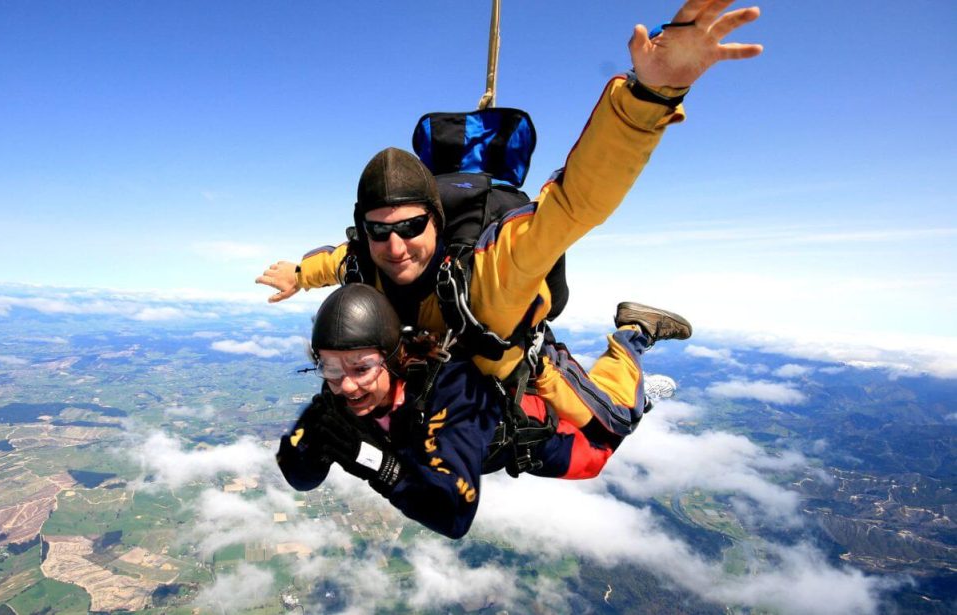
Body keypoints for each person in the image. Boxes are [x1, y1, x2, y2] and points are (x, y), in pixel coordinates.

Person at [259, 1, 761, 449]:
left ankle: (635, 335)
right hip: (443, 381)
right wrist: (296, 276)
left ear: (435, 219)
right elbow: (333, 261)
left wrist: (649, 95)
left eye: (411, 226)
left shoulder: (492, 269)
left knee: (610, 425)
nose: (394, 246)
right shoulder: (363, 261)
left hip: (511, 368)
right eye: (377, 230)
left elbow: (574, 202)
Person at [277, 284, 690, 539]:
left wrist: (374, 463)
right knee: (602, 427)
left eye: (361, 368)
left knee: (602, 446)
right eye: (329, 367)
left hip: (539, 431)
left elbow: (455, 517)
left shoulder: (449, 389)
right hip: (481, 435)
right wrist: (311, 451)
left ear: (396, 357)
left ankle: (634, 334)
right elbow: (299, 475)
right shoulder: (337, 396)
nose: (345, 384)